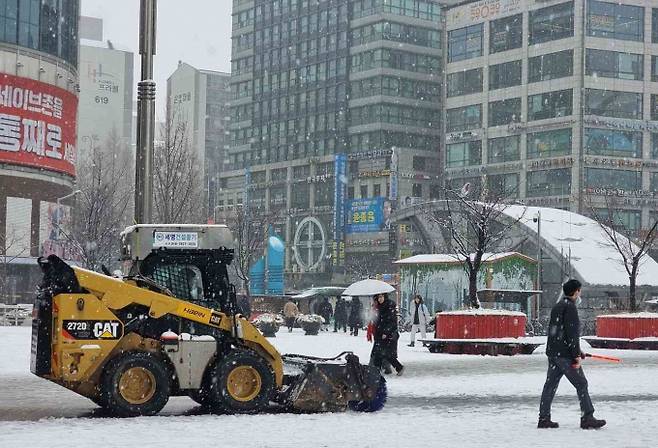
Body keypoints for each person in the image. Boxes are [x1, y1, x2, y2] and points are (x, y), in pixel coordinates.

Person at [538, 279, 606, 430]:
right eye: (579, 290)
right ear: (576, 291)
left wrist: (576, 350)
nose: (580, 293)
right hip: (565, 355)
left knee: (550, 385)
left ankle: (543, 418)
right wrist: (575, 354)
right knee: (581, 383)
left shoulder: (558, 306)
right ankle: (587, 417)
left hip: (554, 353)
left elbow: (556, 333)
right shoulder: (570, 308)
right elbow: (571, 334)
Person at [371, 293, 404, 376]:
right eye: (378, 297)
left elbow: (392, 322)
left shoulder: (389, 307)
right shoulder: (379, 307)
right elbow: (378, 320)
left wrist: (386, 332)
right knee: (379, 353)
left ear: (385, 297)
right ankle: (377, 371)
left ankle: (398, 367)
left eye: (381, 297)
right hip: (380, 333)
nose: (380, 299)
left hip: (387, 335)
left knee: (385, 354)